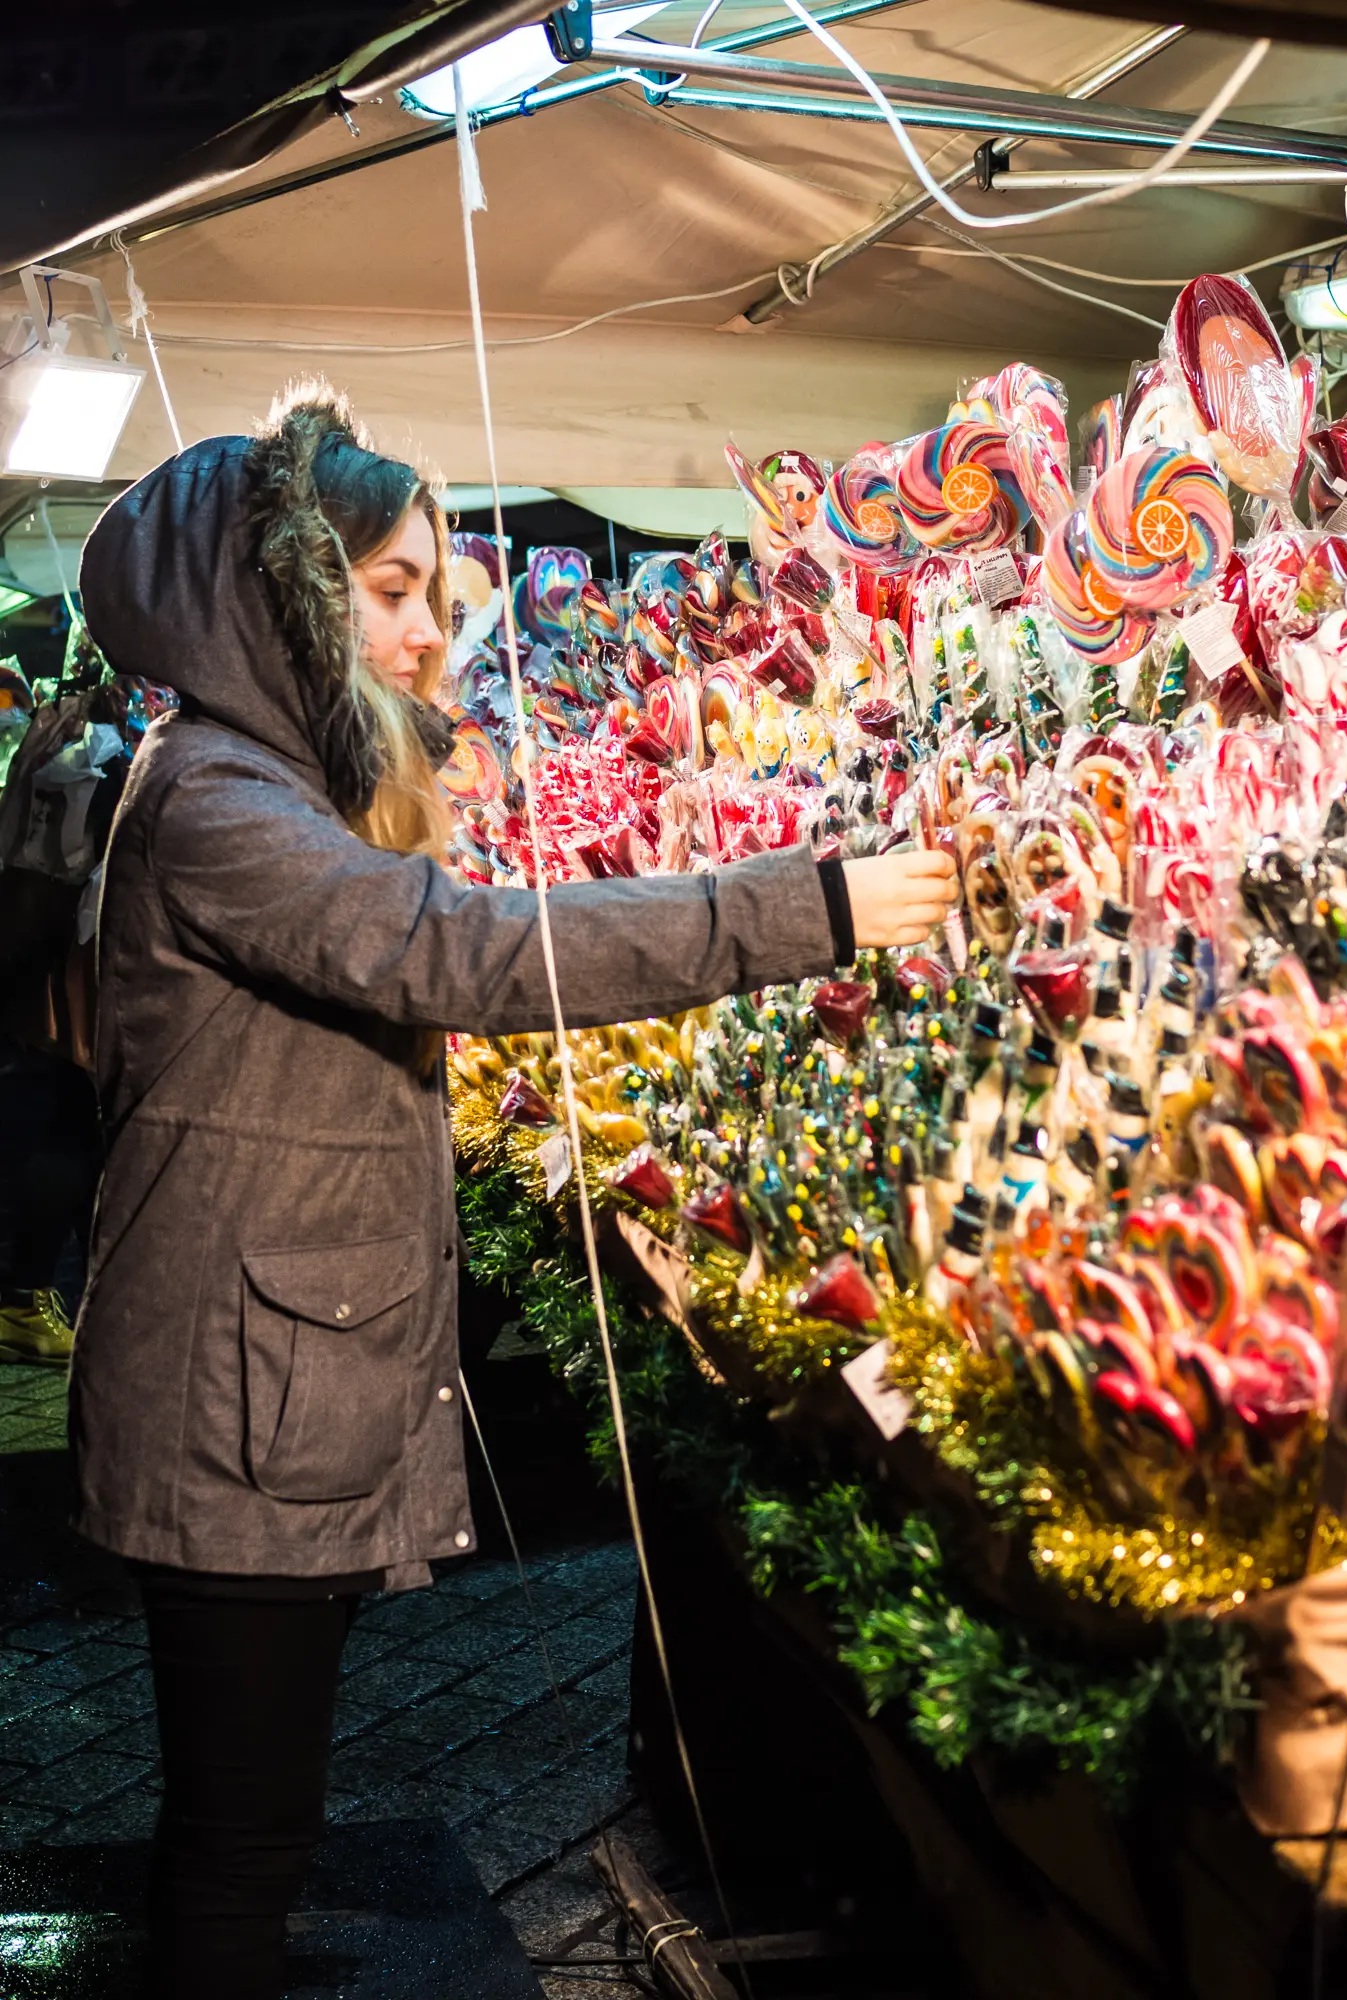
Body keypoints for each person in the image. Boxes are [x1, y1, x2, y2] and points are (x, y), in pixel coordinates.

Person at [73, 385, 958, 2000]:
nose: (429, 635)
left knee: (257, 1820)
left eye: (436, 594)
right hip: (226, 1398)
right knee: (238, 1841)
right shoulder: (217, 802)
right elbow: (457, 952)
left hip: (265, 1387)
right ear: (284, 594)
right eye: (393, 593)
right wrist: (808, 905)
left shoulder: (262, 784)